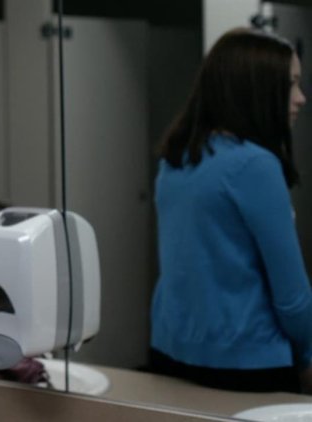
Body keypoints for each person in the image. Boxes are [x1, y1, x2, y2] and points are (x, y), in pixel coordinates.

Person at [149, 27, 311, 393]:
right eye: (291, 84)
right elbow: (292, 296)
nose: (301, 98)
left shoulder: (175, 159)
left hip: (170, 354)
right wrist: (306, 356)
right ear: (256, 89)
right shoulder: (255, 165)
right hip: (249, 366)